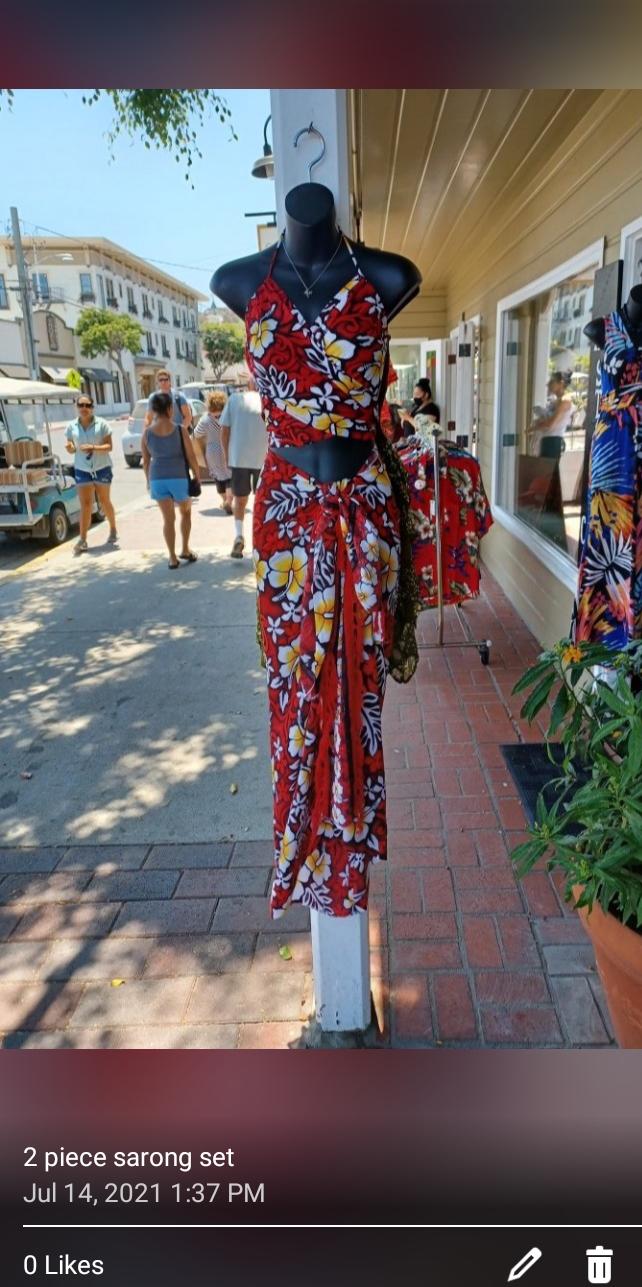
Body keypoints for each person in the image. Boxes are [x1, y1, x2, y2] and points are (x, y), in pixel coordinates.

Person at [210, 179, 422, 919]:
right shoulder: (238, 281)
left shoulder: (388, 276)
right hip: (287, 522)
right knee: (293, 692)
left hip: (363, 517)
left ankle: (349, 857)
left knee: (358, 694)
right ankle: (301, 851)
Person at [141, 391, 201, 569]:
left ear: (154, 410)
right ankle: (185, 549)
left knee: (168, 519)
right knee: (186, 512)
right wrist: (197, 476)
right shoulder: (180, 430)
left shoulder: (147, 434)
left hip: (157, 479)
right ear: (169, 409)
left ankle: (172, 558)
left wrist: (148, 481)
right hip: (178, 477)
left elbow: (146, 461)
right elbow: (191, 456)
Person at [219, 373, 268, 559]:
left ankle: (239, 536)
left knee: (240, 500)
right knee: (262, 502)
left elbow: (224, 431)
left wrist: (227, 455)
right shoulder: (268, 400)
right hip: (264, 458)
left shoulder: (235, 399)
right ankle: (261, 541)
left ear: (248, 384)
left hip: (239, 458)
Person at [65, 393, 118, 555]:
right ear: (77, 407)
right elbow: (70, 446)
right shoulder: (72, 426)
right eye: (81, 405)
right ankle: (82, 539)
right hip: (82, 469)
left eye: (87, 405)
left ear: (92, 408)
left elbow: (109, 447)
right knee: (86, 505)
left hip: (102, 467)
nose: (84, 408)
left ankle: (113, 528)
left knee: (104, 500)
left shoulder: (102, 424)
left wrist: (93, 447)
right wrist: (70, 448)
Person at [193, 390, 233, 512]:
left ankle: (224, 499)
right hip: (228, 448)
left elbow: (196, 433)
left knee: (218, 477)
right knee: (230, 476)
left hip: (212, 452)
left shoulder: (205, 419)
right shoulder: (229, 416)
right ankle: (229, 500)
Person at [529, 371, 574, 457]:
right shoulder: (557, 401)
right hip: (547, 440)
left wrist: (532, 429)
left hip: (553, 441)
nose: (548, 385)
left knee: (546, 465)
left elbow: (550, 424)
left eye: (551, 382)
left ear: (561, 383)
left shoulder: (565, 401)